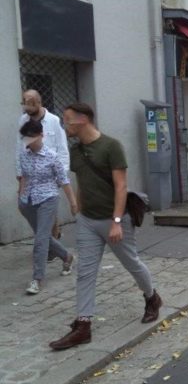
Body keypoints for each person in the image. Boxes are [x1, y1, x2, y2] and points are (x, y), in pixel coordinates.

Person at [48, 103, 162, 351]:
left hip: (113, 220)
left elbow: (121, 186)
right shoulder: (76, 151)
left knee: (131, 263)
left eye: (67, 120)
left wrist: (117, 221)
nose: (64, 124)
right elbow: (82, 180)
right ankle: (83, 325)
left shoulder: (111, 147)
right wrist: (77, 203)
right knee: (85, 272)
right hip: (88, 221)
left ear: (82, 120)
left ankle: (152, 297)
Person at [17, 119, 78, 295]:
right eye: (26, 138)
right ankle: (67, 256)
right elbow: (23, 177)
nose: (29, 141)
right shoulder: (24, 155)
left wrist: (73, 203)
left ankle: (37, 278)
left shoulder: (52, 156)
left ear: (41, 135)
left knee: (41, 239)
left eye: (32, 137)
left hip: (48, 199)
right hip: (28, 201)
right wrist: (21, 199)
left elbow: (64, 181)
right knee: (42, 236)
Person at [17, 90, 70, 244]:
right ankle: (48, 241)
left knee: (48, 210)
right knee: (29, 207)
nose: (28, 113)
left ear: (39, 103)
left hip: (50, 172)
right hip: (29, 170)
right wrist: (19, 173)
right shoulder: (22, 120)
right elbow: (19, 146)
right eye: (26, 109)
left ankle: (50, 243)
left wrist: (62, 175)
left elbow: (62, 147)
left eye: (31, 110)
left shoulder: (53, 120)